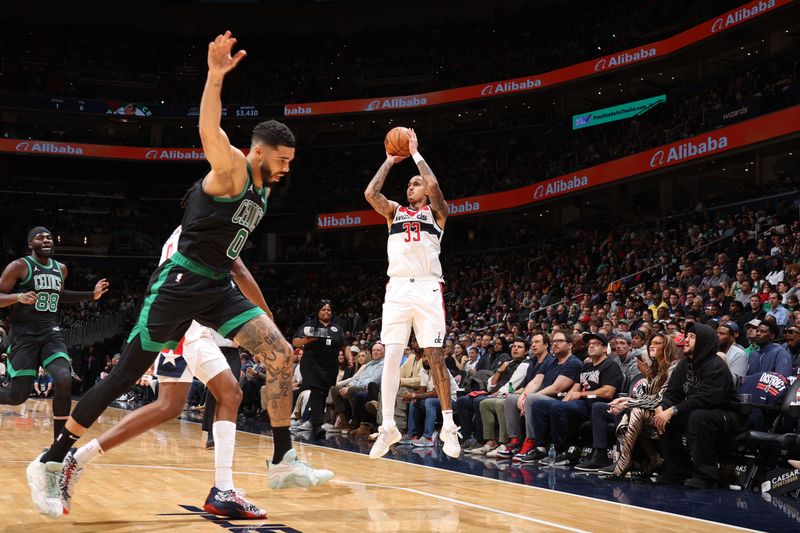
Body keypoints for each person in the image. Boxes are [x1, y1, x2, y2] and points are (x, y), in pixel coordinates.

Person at [27, 32, 331, 519]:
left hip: (214, 289)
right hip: (179, 285)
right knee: (126, 375)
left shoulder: (263, 188)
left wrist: (262, 310)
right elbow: (210, 131)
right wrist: (214, 78)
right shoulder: (232, 169)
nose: (286, 170)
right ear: (259, 152)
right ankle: (52, 459)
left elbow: (233, 258)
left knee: (277, 353)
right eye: (282, 160)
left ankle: (282, 457)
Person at [365, 128, 460, 459]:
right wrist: (390, 161)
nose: (411, 186)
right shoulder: (394, 212)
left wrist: (416, 154)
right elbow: (370, 192)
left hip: (427, 286)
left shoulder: (436, 213)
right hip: (398, 288)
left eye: (414, 183)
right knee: (391, 354)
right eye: (409, 184)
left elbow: (434, 186)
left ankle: (448, 426)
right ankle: (388, 426)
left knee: (434, 355)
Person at [0, 227, 109, 442]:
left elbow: (59, 295)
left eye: (49, 236)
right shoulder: (19, 266)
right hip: (24, 336)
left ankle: (59, 444)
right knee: (17, 397)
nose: (46, 239)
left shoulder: (61, 268)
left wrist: (92, 295)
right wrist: (18, 297)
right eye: (40, 237)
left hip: (51, 333)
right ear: (30, 244)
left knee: (63, 377)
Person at [654, 322, 744, 489]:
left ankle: (706, 475)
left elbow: (706, 399)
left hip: (727, 415)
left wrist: (673, 410)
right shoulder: (683, 364)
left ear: (703, 341)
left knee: (698, 416)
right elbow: (672, 393)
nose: (686, 340)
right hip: (699, 411)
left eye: (692, 337)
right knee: (665, 419)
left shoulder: (716, 365)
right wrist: (662, 407)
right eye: (686, 336)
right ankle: (678, 471)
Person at [292, 300, 350, 439]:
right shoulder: (310, 325)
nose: (326, 312)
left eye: (328, 310)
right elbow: (295, 341)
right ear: (318, 311)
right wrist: (307, 341)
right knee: (317, 391)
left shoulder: (337, 328)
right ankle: (317, 426)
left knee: (323, 392)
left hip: (330, 366)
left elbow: (344, 346)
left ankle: (311, 421)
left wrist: (350, 359)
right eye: (323, 310)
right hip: (312, 365)